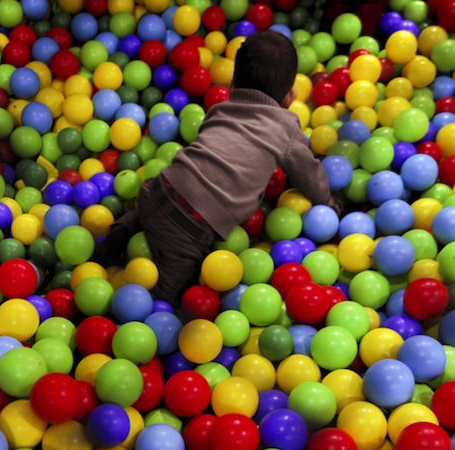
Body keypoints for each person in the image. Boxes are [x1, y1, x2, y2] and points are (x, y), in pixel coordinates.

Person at [93, 30, 340, 308]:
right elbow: (308, 173)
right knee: (172, 292)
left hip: (160, 187)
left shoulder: (220, 109)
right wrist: (328, 201)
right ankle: (137, 310)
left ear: (232, 85)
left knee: (150, 212)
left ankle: (120, 233)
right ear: (290, 97)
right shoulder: (285, 127)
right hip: (190, 226)